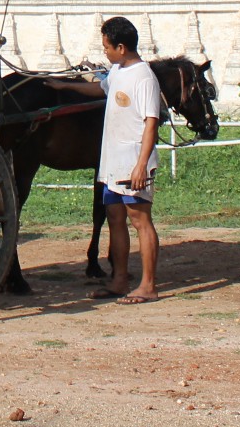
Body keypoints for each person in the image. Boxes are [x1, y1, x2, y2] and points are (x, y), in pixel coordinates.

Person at [50, 16, 163, 303]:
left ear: (121, 47)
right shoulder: (117, 71)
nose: (105, 52)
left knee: (140, 221)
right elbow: (100, 90)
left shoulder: (144, 77)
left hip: (133, 161)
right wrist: (65, 87)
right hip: (112, 161)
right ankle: (120, 280)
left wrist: (141, 164)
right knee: (115, 219)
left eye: (107, 47)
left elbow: (151, 123)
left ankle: (148, 285)